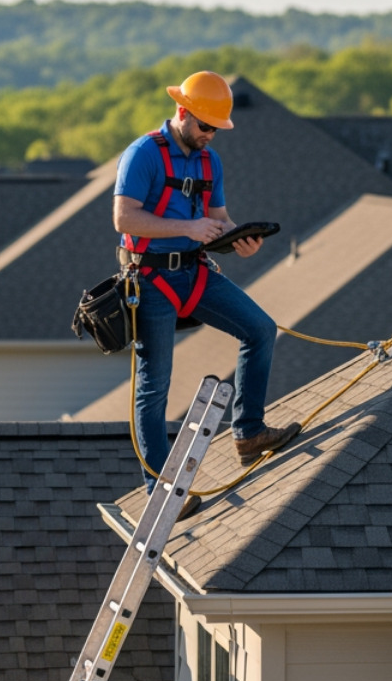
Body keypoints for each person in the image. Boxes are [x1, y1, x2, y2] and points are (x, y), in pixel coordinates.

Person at [113, 71, 299, 510]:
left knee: (260, 329)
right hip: (150, 279)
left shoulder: (209, 161)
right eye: (204, 126)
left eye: (216, 129)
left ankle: (248, 433)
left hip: (194, 273)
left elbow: (217, 219)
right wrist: (189, 228)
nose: (210, 135)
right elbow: (124, 218)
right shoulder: (143, 154)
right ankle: (161, 493)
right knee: (155, 387)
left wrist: (239, 239)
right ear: (182, 112)